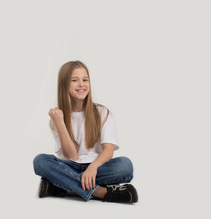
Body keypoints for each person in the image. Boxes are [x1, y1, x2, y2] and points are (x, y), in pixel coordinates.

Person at [33, 60, 138, 203]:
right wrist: (60, 122)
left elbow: (108, 150)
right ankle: (101, 192)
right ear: (64, 85)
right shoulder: (57, 117)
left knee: (125, 166)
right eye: (74, 80)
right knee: (40, 161)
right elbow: (71, 156)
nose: (81, 84)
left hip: (98, 167)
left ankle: (61, 185)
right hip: (69, 165)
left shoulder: (102, 112)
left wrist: (93, 167)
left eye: (85, 80)